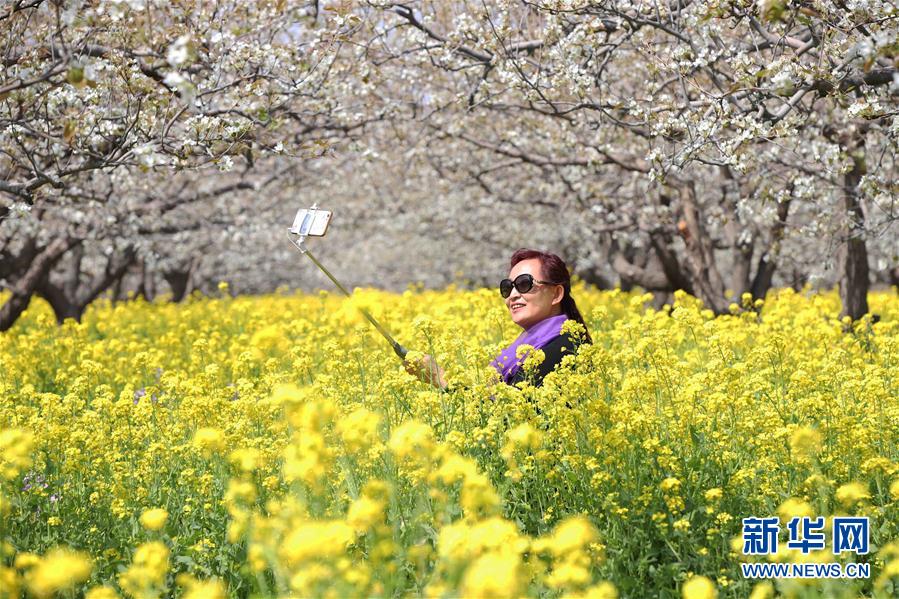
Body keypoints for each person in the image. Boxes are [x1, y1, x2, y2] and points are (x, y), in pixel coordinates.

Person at [404, 248, 593, 391]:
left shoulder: (564, 349)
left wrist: (440, 378)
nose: (513, 295)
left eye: (524, 284)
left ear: (556, 294)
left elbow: (514, 420)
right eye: (507, 287)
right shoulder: (529, 347)